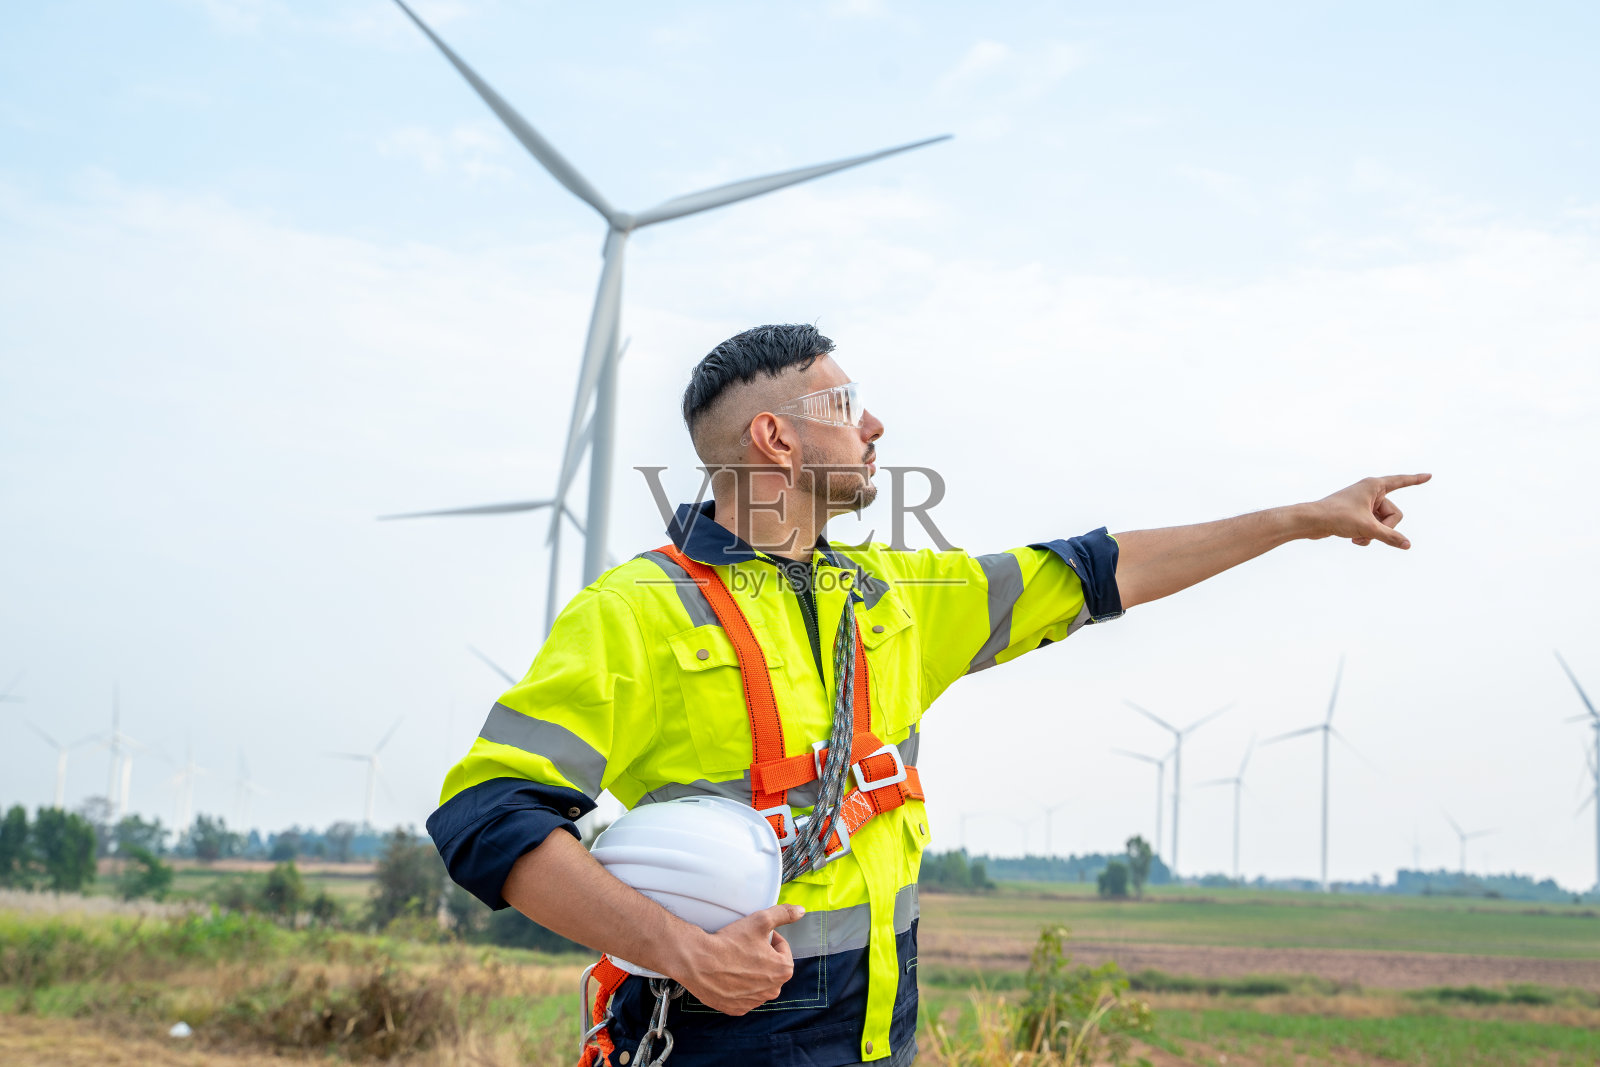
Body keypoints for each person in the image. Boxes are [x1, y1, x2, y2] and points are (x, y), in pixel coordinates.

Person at [426, 323, 1428, 1067]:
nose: (872, 423)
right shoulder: (637, 611)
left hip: (880, 1036)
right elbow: (487, 815)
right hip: (721, 1036)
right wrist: (679, 948)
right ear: (773, 438)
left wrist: (1300, 517)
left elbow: (1093, 566)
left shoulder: (900, 594)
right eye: (841, 403)